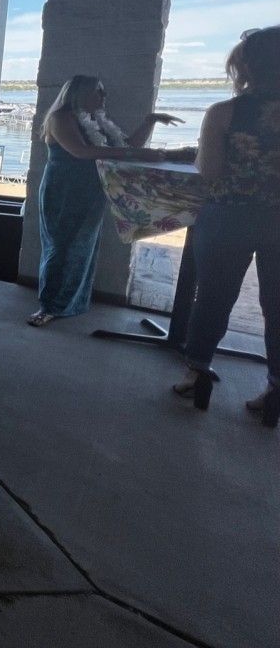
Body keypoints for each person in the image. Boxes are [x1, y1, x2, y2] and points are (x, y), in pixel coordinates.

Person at [173, 27, 280, 426]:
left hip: (228, 215)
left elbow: (211, 170)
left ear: (247, 65)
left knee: (213, 297)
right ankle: (274, 392)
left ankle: (197, 375)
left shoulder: (225, 113)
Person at [28, 75, 182, 327]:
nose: (103, 97)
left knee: (82, 248)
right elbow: (82, 151)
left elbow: (125, 145)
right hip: (64, 191)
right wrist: (135, 153)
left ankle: (69, 303)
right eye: (98, 91)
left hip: (92, 191)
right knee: (61, 247)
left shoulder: (98, 120)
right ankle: (48, 305)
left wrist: (149, 121)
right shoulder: (61, 118)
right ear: (80, 93)